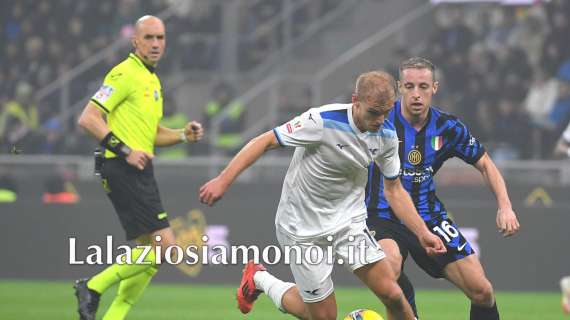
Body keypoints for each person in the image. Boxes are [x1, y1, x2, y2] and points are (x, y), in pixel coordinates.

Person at [199, 70, 446, 320]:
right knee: (323, 316)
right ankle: (259, 278)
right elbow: (265, 141)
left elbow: (394, 190)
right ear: (355, 101)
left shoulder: (386, 135)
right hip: (301, 229)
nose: (380, 120)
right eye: (373, 112)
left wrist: (422, 232)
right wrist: (223, 179)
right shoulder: (321, 121)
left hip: (348, 224)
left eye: (386, 112)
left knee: (392, 294)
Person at [366, 57, 520, 320]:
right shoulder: (379, 119)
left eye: (423, 87)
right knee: (389, 273)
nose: (417, 94)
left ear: (434, 88)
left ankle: (403, 294)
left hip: (430, 217)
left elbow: (486, 165)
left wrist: (505, 206)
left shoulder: (448, 127)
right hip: (383, 215)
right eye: (410, 86)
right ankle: (404, 296)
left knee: (482, 291)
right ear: (400, 87)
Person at [74, 15, 204, 320]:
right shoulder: (123, 74)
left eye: (160, 38)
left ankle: (112, 316)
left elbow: (154, 133)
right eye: (149, 38)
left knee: (151, 255)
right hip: (122, 166)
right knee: (165, 248)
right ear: (135, 41)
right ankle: (92, 287)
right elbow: (88, 118)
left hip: (138, 168)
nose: (156, 44)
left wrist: (183, 134)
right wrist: (126, 151)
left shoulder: (151, 79)